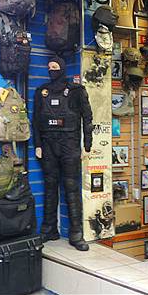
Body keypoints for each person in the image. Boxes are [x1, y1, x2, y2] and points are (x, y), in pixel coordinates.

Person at [33, 56, 93, 251]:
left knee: (70, 186)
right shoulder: (41, 92)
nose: (52, 70)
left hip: (70, 144)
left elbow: (87, 118)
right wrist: (38, 144)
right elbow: (35, 121)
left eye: (55, 66)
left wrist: (87, 145)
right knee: (50, 186)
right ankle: (49, 228)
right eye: (49, 67)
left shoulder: (76, 91)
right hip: (48, 145)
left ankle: (76, 233)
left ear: (63, 68)